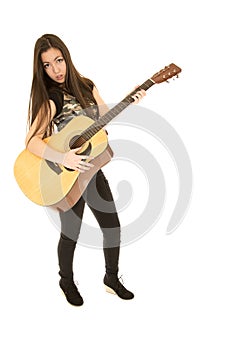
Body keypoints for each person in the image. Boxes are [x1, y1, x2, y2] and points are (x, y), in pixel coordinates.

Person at [25, 34, 146, 306]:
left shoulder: (86, 85)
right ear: (41, 69)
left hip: (92, 168)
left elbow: (103, 116)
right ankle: (66, 281)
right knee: (71, 233)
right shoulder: (50, 98)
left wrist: (131, 100)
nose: (55, 69)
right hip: (67, 175)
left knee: (112, 227)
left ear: (66, 58)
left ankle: (111, 279)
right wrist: (63, 157)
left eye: (58, 61)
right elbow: (31, 141)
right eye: (47, 65)